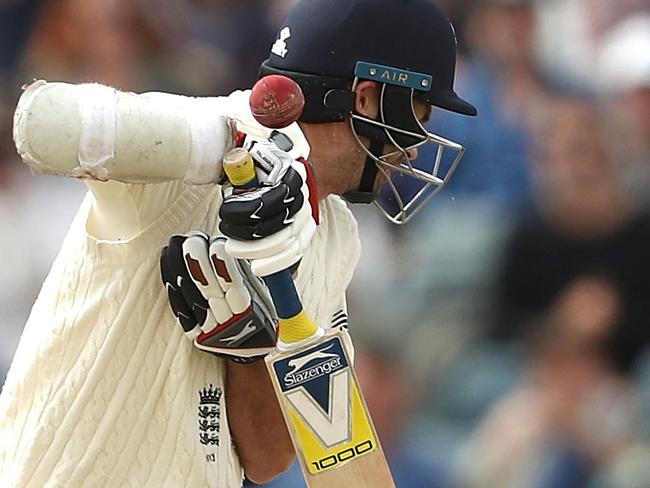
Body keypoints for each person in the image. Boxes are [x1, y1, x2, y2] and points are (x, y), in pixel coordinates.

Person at [0, 0, 476, 486]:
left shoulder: (336, 237)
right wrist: (224, 145)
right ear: (367, 98)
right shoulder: (176, 164)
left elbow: (269, 458)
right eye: (417, 114)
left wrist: (248, 351)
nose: (415, 145)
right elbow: (42, 122)